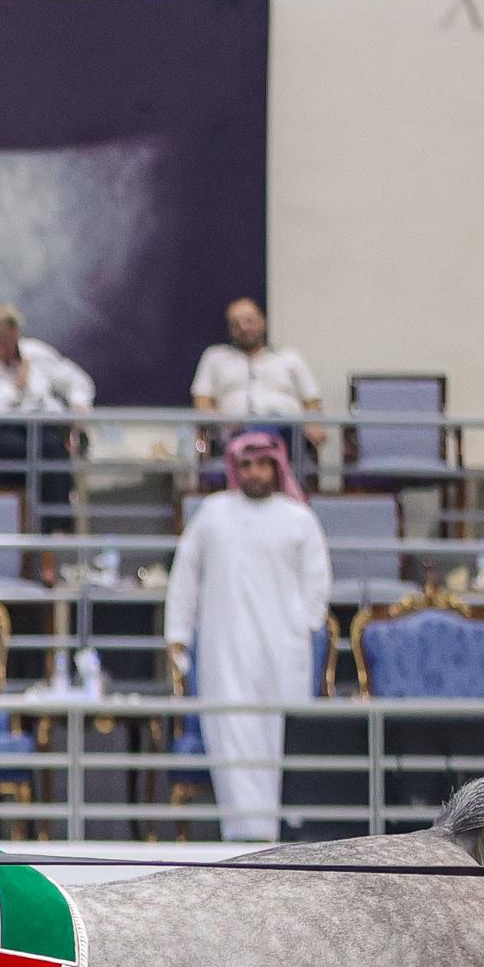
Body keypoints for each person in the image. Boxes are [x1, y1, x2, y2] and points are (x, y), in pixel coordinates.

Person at [162, 430, 330, 843]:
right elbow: (185, 576)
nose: (255, 472)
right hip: (224, 650)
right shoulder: (213, 513)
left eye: (263, 464)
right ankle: (243, 837)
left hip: (282, 653)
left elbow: (318, 583)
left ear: (277, 467)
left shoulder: (298, 518)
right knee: (231, 736)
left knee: (280, 739)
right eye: (247, 465)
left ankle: (283, 840)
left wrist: (302, 626)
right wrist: (178, 634)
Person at [0, 304, 96, 529]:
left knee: (53, 448)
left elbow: (76, 380)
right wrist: (15, 389)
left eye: (12, 338)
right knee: (34, 454)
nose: (9, 347)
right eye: (2, 341)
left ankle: (57, 530)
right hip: (0, 432)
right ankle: (29, 527)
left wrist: (79, 402)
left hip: (43, 426)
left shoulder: (35, 353)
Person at [190, 296, 323, 471]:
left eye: (249, 321)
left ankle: (262, 446)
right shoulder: (214, 357)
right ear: (230, 329)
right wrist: (216, 421)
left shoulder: (290, 358)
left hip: (287, 434)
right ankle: (261, 449)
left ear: (263, 322)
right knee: (248, 432)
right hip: (235, 434)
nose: (244, 328)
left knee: (277, 425)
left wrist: (313, 424)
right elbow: (202, 401)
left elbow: (311, 400)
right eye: (236, 324)